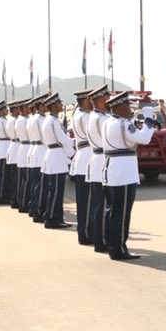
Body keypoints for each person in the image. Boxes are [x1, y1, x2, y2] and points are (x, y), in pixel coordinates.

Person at [101, 91, 156, 260]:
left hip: (112, 170)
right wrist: (149, 120)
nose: (130, 108)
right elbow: (144, 139)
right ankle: (118, 249)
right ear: (118, 107)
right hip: (123, 173)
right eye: (127, 105)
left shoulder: (108, 122)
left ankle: (112, 245)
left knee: (112, 211)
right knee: (122, 213)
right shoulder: (123, 125)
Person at [40, 92, 75, 229]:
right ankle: (52, 218)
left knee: (54, 189)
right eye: (59, 103)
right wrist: (73, 154)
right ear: (54, 105)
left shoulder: (48, 120)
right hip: (56, 157)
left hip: (52, 154)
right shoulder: (54, 122)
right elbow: (64, 140)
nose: (61, 105)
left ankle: (54, 217)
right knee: (56, 191)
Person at [85, 85, 111, 253]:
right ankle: (101, 241)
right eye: (107, 98)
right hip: (102, 159)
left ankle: (97, 238)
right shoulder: (102, 119)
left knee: (97, 203)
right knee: (102, 204)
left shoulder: (92, 116)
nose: (109, 101)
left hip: (96, 158)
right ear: (101, 100)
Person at [70, 89, 94, 244]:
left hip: (82, 157)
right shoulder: (86, 117)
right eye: (91, 100)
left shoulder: (77, 115)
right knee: (88, 201)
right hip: (87, 158)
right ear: (86, 101)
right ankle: (86, 234)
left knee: (83, 201)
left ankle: (84, 233)